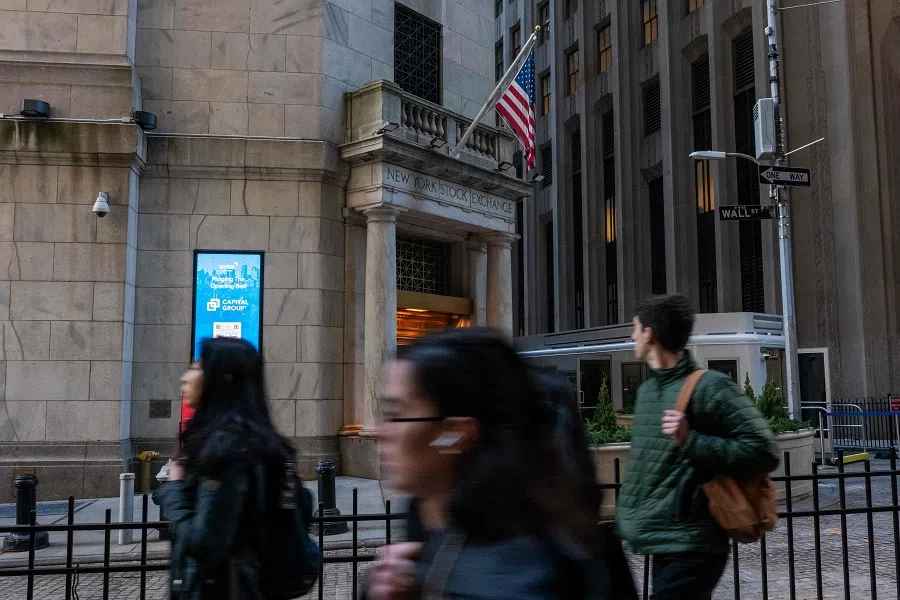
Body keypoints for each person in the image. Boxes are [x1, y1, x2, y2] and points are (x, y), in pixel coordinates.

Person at [366, 328, 610, 600]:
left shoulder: (518, 581)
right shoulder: (441, 532)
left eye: (395, 414)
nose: (379, 432)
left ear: (455, 433)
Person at [616, 294, 779, 600]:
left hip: (694, 544)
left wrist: (691, 440)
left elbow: (763, 450)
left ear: (649, 334)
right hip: (663, 542)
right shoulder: (648, 391)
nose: (632, 336)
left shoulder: (710, 387)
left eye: (636, 328)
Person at [159, 337, 298, 600]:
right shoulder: (249, 440)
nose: (184, 377)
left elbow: (205, 542)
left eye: (196, 368)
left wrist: (173, 488)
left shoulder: (228, 450)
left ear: (220, 378)